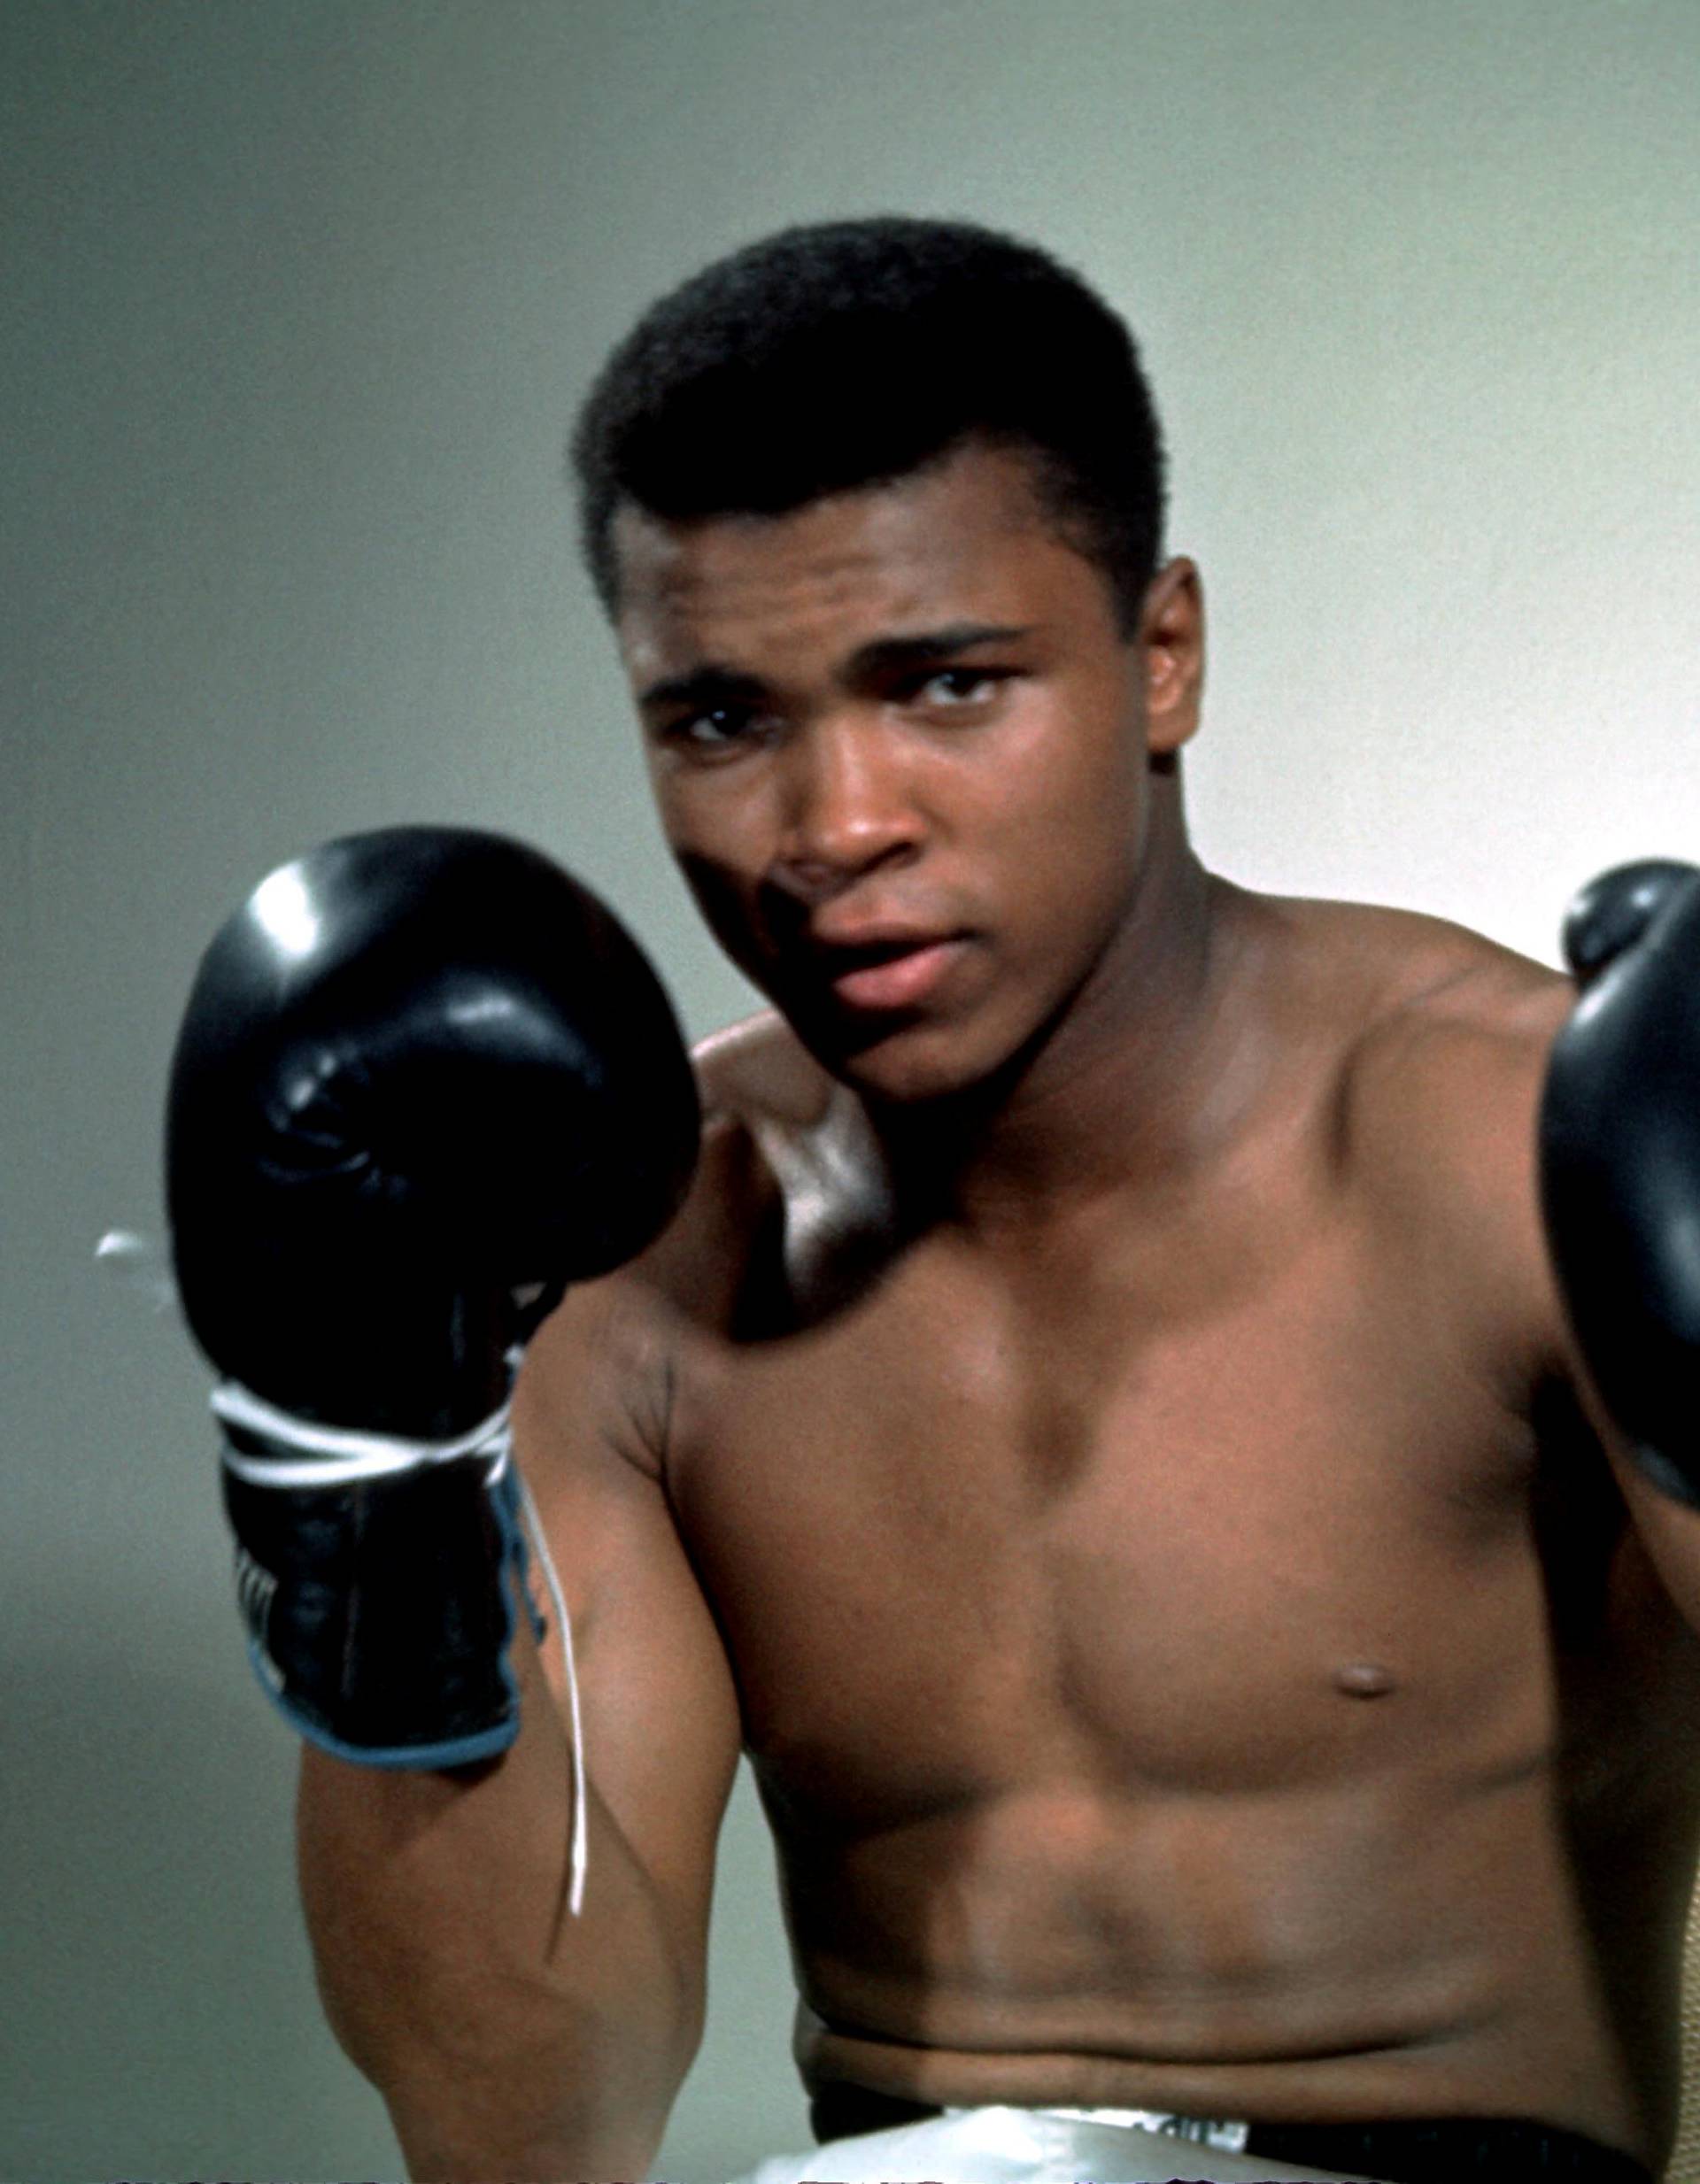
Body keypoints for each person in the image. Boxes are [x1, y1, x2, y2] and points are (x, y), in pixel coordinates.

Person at [173, 219, 1700, 2184]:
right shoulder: (623, 1263)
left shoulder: (1511, 1144)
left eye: (947, 686)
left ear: (1163, 655)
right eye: (724, 718)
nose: (836, 826)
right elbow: (525, 2131)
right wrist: (367, 1494)